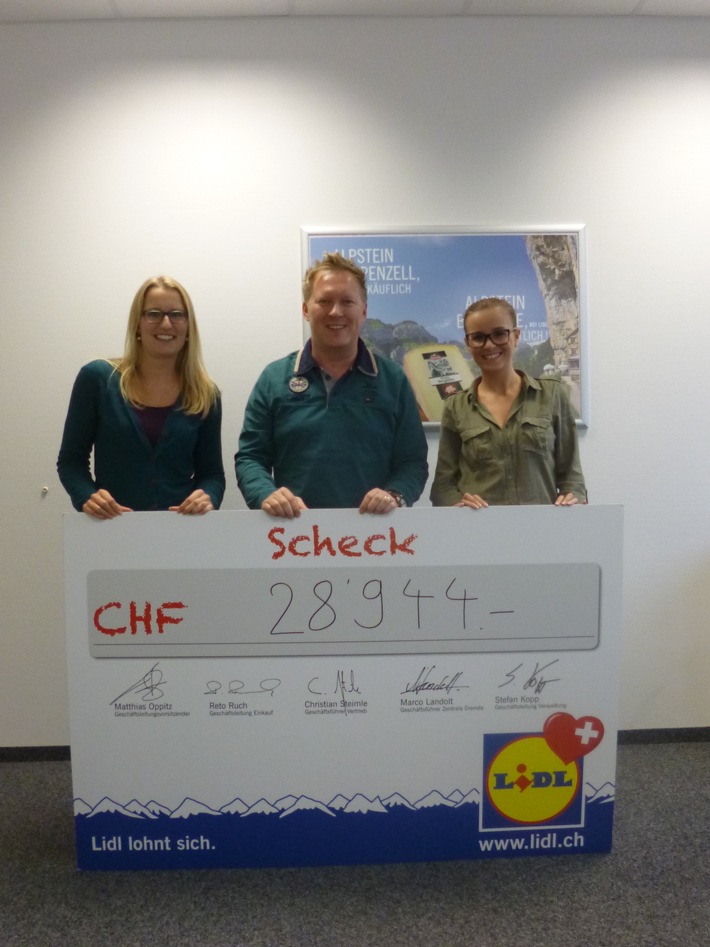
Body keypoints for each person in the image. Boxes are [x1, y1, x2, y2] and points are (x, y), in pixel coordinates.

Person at [235, 252, 428, 517]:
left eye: (347, 301)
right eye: (324, 301)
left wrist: (395, 495)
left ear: (363, 310)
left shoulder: (394, 380)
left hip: (374, 534)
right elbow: (250, 457)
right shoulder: (274, 378)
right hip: (294, 532)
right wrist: (265, 494)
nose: (336, 312)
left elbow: (413, 462)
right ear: (306, 309)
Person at [57, 275, 225, 519]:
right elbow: (71, 461)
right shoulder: (98, 379)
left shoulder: (205, 394)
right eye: (153, 314)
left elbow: (212, 474)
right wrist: (87, 497)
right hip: (110, 528)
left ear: (189, 327)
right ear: (137, 324)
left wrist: (208, 496)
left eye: (177, 314)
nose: (166, 324)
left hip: (181, 531)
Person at [430, 297, 586, 509]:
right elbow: (443, 486)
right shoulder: (456, 407)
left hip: (541, 526)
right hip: (479, 526)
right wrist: (457, 504)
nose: (489, 345)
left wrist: (572, 498)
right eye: (478, 337)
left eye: (499, 334)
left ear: (516, 336)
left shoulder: (552, 395)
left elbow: (572, 477)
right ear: (468, 343)